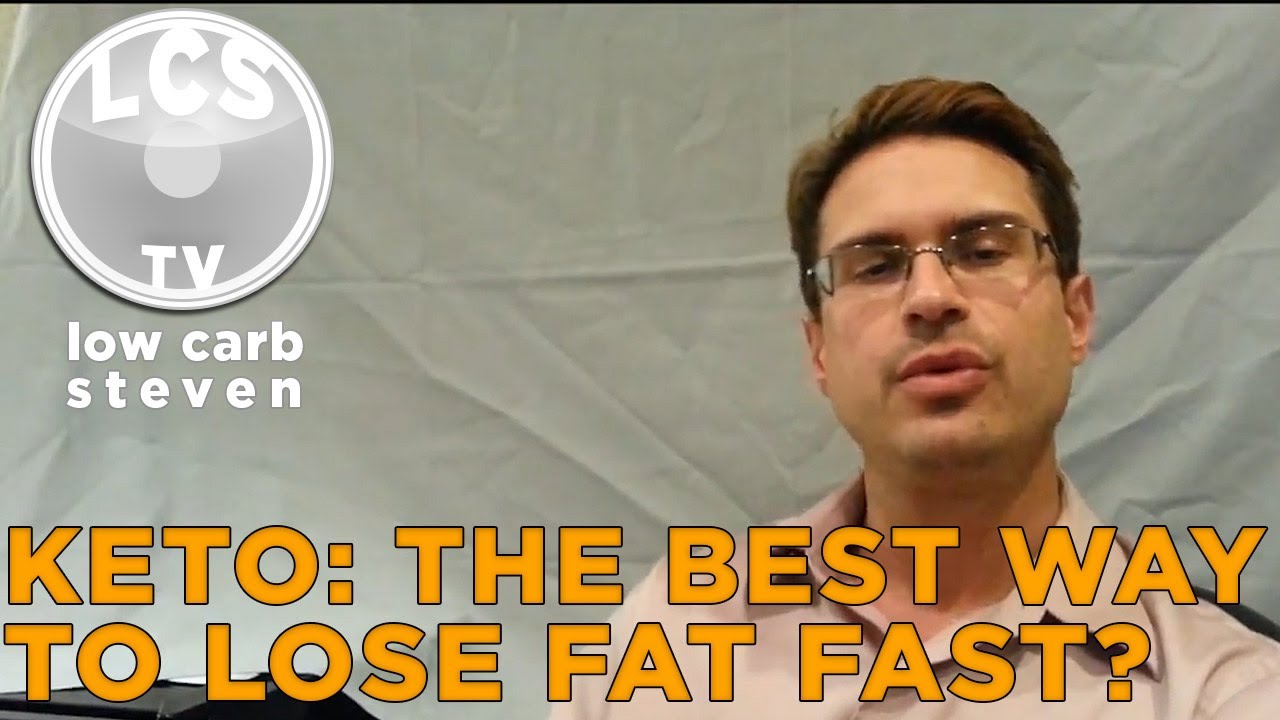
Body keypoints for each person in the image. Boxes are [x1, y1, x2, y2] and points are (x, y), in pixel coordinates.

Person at [545, 76, 1280, 719]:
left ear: (1074, 317)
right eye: (875, 266)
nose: (930, 297)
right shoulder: (672, 634)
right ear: (820, 352)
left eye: (983, 251)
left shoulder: (1226, 686)